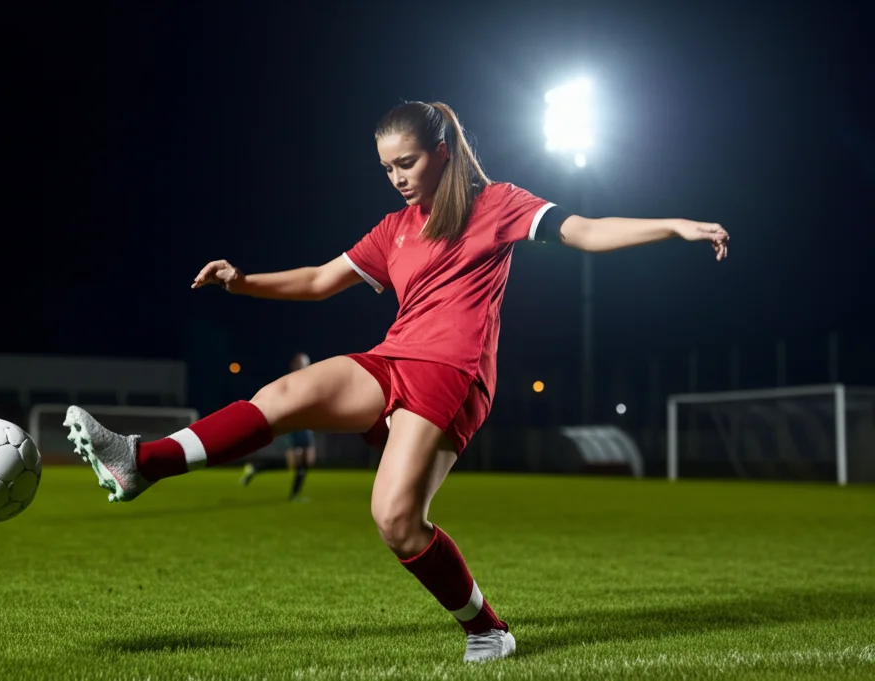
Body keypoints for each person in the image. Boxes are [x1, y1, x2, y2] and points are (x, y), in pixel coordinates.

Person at [64, 101, 728, 662]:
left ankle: (488, 630)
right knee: (283, 395)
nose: (397, 178)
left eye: (406, 162)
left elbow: (582, 230)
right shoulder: (395, 229)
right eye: (386, 168)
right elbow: (322, 280)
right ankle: (140, 461)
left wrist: (672, 225)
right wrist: (244, 282)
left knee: (396, 521)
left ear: (442, 151)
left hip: (455, 374)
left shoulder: (497, 204)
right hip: (395, 357)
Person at [239, 352, 316, 500]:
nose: (306, 366)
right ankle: (256, 469)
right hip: (295, 426)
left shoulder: (307, 380)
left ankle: (293, 494)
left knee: (307, 461)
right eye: (302, 363)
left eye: (307, 363)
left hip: (305, 425)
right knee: (293, 464)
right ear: (295, 365)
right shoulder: (291, 381)